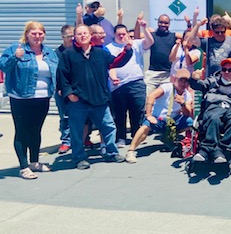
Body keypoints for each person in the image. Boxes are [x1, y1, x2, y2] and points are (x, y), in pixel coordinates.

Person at [56, 24, 132, 169]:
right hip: (78, 101)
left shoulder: (101, 53)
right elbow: (62, 77)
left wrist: (127, 50)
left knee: (109, 127)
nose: (83, 36)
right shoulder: (68, 55)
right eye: (79, 34)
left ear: (90, 35)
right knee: (77, 131)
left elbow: (116, 62)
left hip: (100, 100)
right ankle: (79, 158)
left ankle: (111, 153)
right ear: (75, 37)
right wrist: (70, 94)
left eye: (85, 33)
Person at [0, 21, 58, 180]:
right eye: (34, 33)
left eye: (40, 33)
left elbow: (56, 72)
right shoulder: (16, 48)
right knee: (22, 131)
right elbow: (3, 66)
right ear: (27, 34)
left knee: (35, 131)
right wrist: (14, 57)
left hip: (43, 98)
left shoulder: (49, 52)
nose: (37, 36)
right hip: (21, 98)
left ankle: (34, 162)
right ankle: (23, 167)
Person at [125, 68, 194, 163]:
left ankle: (170, 138)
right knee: (145, 127)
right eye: (181, 80)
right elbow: (151, 96)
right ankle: (131, 151)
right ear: (175, 79)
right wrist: (149, 115)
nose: (183, 84)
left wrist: (182, 103)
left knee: (190, 122)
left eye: (186, 81)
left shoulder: (187, 95)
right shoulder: (167, 87)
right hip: (158, 118)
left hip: (172, 121)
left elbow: (188, 114)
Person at [189, 58, 231, 163]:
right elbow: (198, 85)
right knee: (214, 118)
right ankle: (206, 149)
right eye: (224, 69)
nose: (226, 72)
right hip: (214, 107)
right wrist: (194, 79)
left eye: (230, 70)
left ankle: (224, 150)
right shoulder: (213, 81)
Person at [106, 22, 154, 147]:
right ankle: (121, 137)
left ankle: (136, 136)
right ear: (114, 35)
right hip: (118, 86)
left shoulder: (136, 44)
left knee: (137, 111)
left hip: (136, 82)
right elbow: (109, 66)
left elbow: (150, 42)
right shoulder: (108, 48)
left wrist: (144, 27)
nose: (121, 37)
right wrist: (113, 77)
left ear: (127, 34)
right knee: (119, 113)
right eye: (119, 35)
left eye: (124, 34)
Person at [54, 24, 74, 154]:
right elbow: (55, 73)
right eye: (68, 36)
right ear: (62, 37)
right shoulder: (57, 53)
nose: (71, 38)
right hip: (62, 90)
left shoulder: (78, 51)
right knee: (65, 116)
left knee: (82, 116)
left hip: (77, 89)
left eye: (73, 36)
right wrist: (59, 87)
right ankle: (66, 141)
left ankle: (84, 138)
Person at [145, 14, 177, 92]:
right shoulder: (152, 35)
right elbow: (136, 36)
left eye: (166, 23)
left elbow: (187, 37)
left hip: (167, 74)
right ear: (157, 23)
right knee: (148, 100)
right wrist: (140, 25)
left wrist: (189, 24)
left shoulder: (174, 36)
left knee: (165, 102)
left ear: (169, 24)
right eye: (161, 22)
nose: (163, 24)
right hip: (152, 74)